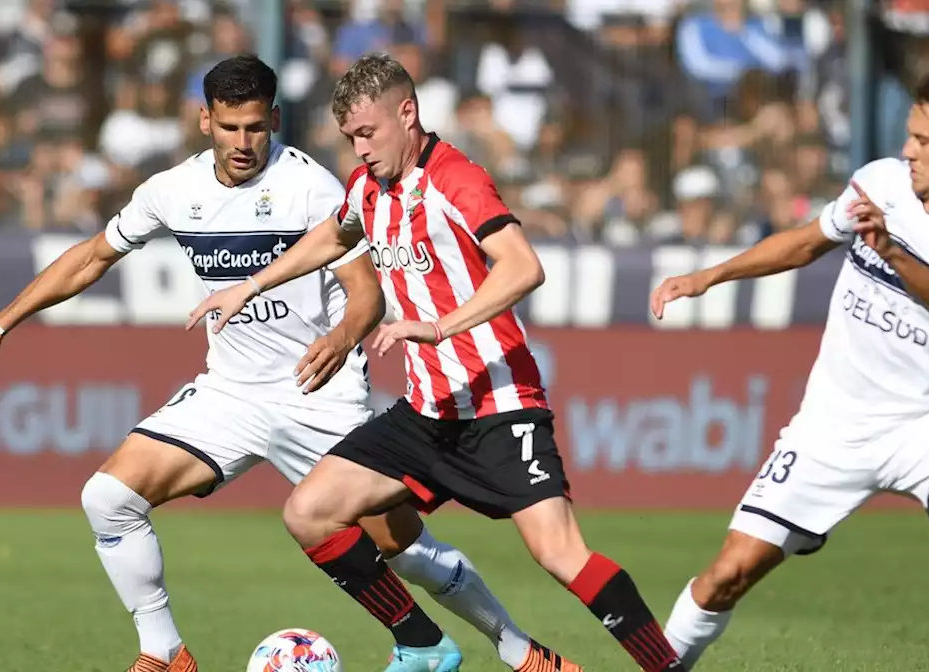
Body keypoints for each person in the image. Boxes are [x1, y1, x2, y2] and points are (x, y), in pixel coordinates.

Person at [0, 55, 575, 672]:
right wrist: (0, 323)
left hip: (318, 395)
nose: (244, 142)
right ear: (205, 122)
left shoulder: (311, 187)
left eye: (256, 126)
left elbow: (367, 292)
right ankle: (165, 653)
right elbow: (92, 257)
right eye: (230, 127)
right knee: (107, 498)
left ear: (274, 119)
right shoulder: (174, 191)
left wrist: (340, 338)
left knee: (403, 547)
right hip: (230, 394)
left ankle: (516, 649)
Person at [188, 53, 685, 672]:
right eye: (349, 138)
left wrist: (440, 327)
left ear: (408, 113)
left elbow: (524, 266)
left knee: (561, 555)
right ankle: (425, 645)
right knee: (310, 512)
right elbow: (332, 236)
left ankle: (666, 667)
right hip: (427, 414)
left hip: (498, 407)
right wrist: (249, 285)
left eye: (367, 133)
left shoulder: (457, 179)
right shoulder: (369, 188)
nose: (360, 149)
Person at [650, 69, 929, 671]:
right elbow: (807, 241)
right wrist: (709, 276)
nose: (908, 149)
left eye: (925, 141)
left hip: (926, 421)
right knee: (727, 575)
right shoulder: (881, 182)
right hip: (830, 427)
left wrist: (892, 251)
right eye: (910, 135)